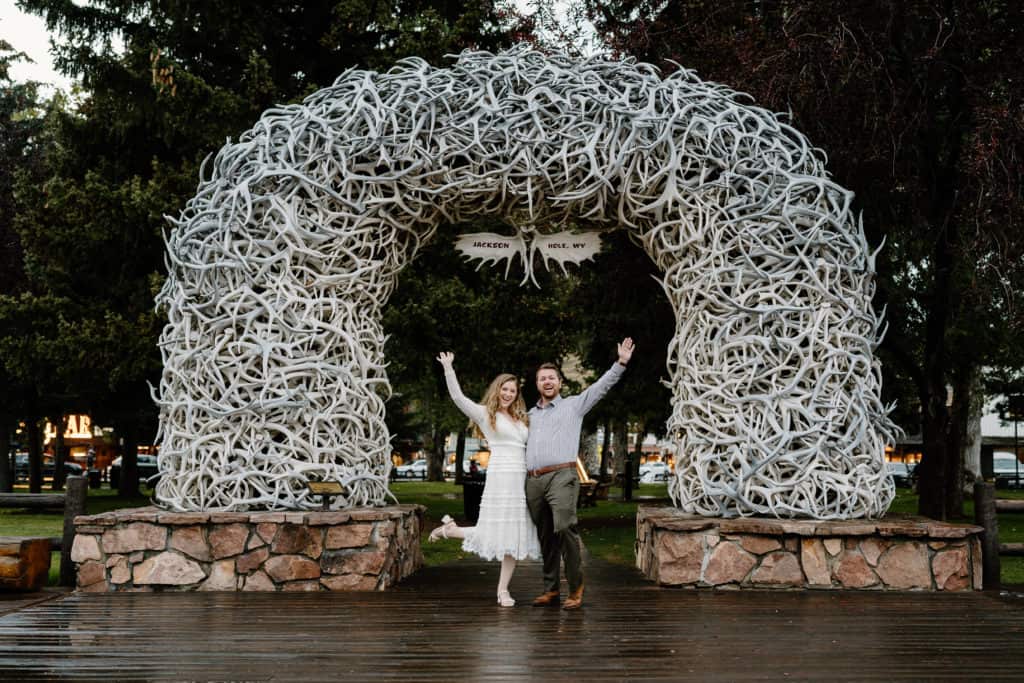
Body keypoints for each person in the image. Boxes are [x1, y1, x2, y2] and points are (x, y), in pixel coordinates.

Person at [526, 337, 635, 610]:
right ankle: (551, 589)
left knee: (564, 527)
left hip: (562, 476)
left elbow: (601, 387)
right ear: (537, 384)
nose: (547, 382)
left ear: (560, 383)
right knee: (545, 535)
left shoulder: (573, 406)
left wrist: (621, 363)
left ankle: (575, 589)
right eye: (542, 379)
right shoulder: (529, 415)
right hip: (533, 480)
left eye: (552, 378)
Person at [428, 352, 541, 607]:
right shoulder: (485, 414)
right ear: (497, 390)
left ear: (517, 394)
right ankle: (451, 531)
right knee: (493, 530)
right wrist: (448, 368)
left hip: (520, 478)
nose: (508, 394)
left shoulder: (521, 417)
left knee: (514, 535)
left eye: (512, 391)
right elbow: (458, 398)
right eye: (504, 389)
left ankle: (503, 590)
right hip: (501, 477)